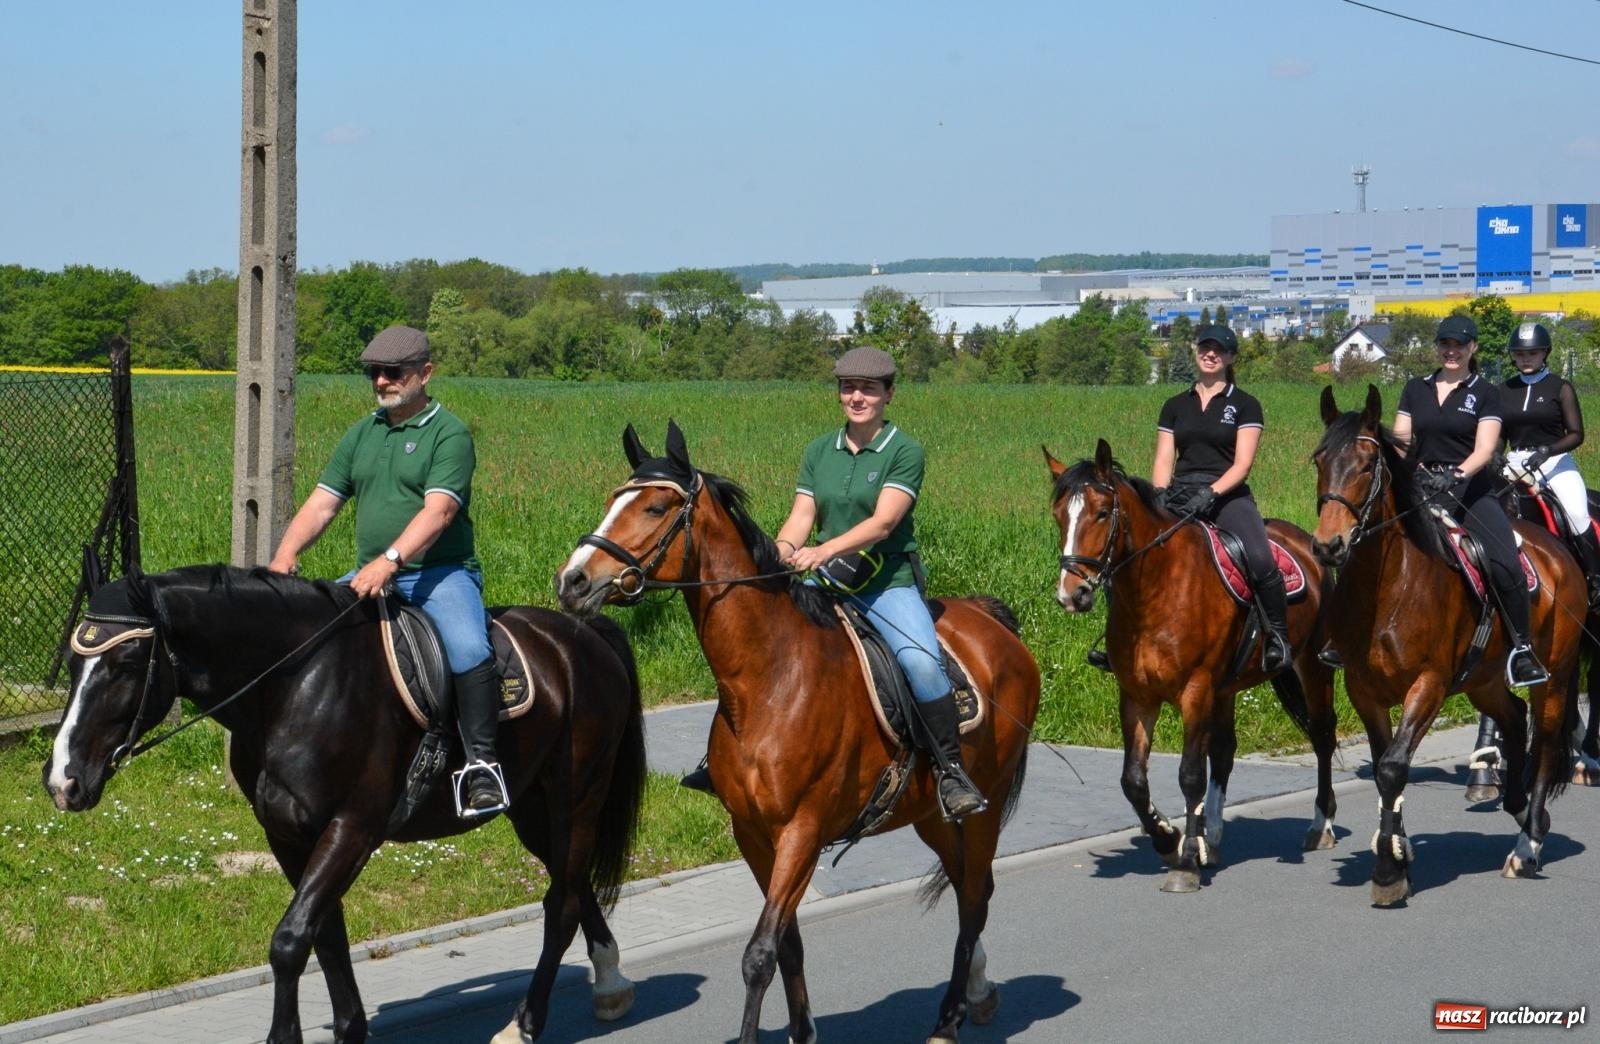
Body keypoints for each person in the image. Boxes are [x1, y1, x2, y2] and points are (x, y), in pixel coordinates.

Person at [684, 345, 986, 820]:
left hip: (885, 583)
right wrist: (780, 553)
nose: (857, 397)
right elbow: (802, 517)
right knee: (762, 650)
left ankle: (950, 771)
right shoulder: (820, 450)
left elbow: (883, 523)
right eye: (848, 388)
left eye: (868, 388)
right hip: (828, 581)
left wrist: (823, 551)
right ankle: (721, 759)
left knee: (922, 664)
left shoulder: (904, 451)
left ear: (889, 394)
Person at [267, 324, 506, 816]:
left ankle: (482, 766)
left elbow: (439, 512)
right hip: (369, 574)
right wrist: (284, 555)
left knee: (467, 648)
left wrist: (390, 561)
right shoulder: (363, 433)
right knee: (307, 634)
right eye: (373, 372)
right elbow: (322, 504)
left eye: (393, 372)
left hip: (438, 574)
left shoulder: (449, 433)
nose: (381, 381)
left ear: (425, 373)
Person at [1393, 314, 1548, 688]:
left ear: (1472, 348)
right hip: (1420, 486)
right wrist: (1410, 471)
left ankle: (1521, 650)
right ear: (1437, 346)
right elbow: (1401, 439)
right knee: (1366, 542)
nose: (1451, 351)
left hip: (1469, 491)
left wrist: (1455, 475)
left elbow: (1485, 448)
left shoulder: (1486, 392)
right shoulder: (1415, 388)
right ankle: (1347, 636)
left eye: (1459, 345)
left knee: (1505, 563)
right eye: (1445, 343)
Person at [1152, 324, 1291, 674]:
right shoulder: (1174, 405)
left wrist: (1211, 493)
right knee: (1134, 551)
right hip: (1180, 494)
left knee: (1260, 558)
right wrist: (1159, 497)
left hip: (1227, 495)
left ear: (1230, 358)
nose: (1210, 354)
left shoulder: (1245, 404)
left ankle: (1277, 638)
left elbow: (1242, 465)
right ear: (1196, 351)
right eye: (1205, 347)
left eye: (1219, 349)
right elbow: (1164, 460)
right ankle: (1120, 642)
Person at [1500, 321, 1600, 601]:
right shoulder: (1503, 390)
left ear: (1545, 353)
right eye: (1520, 353)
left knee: (1576, 513)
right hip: (1515, 462)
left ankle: (1595, 578)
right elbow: (1500, 436)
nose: (1525, 358)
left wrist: (1547, 451)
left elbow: (1576, 434)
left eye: (1532, 353)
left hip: (1555, 461)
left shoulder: (1560, 387)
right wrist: (1495, 456)